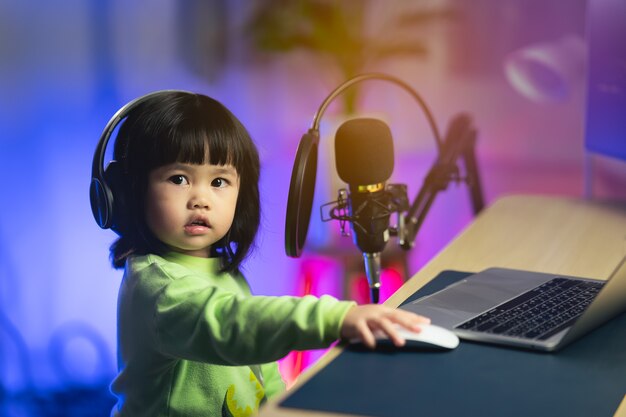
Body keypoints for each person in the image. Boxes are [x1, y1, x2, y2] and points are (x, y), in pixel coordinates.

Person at [101, 91, 429, 416]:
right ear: (130, 192)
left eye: (218, 181)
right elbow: (231, 324)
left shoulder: (218, 269)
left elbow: (259, 369)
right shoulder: (157, 288)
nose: (201, 199)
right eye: (179, 178)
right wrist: (336, 318)